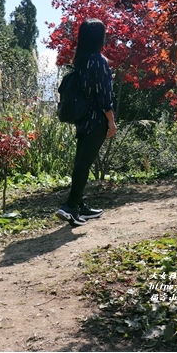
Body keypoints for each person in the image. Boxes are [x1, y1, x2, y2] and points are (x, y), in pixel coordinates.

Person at [55, 18, 117, 227]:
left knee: (80, 161)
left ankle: (79, 206)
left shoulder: (81, 61)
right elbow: (103, 96)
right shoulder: (98, 61)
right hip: (96, 120)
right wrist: (111, 121)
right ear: (99, 37)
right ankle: (70, 206)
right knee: (84, 163)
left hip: (82, 119)